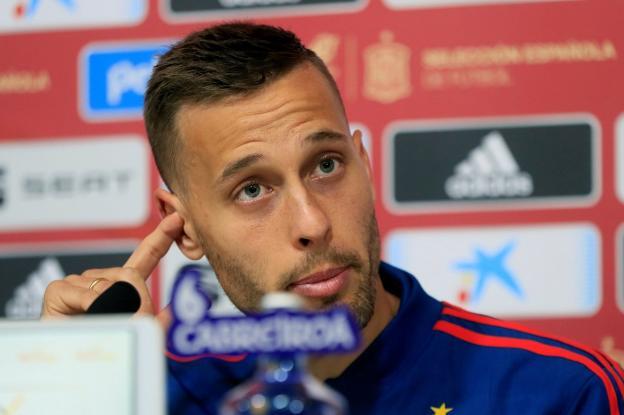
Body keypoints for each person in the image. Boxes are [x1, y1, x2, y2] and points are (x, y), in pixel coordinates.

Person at [42, 23, 624, 415]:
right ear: (185, 227)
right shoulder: (143, 393)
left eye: (325, 164)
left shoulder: (557, 393)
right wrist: (64, 388)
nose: (312, 223)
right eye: (251, 189)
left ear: (365, 165)